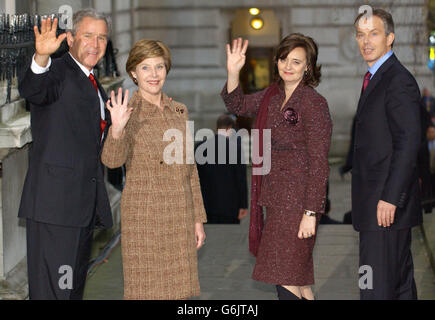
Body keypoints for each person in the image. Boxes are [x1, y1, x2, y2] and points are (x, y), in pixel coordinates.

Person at [221, 34, 332, 300]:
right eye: (284, 59)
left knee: (285, 277)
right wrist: (233, 72)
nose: (288, 66)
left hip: (299, 204)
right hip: (275, 199)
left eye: (296, 61)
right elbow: (236, 104)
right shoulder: (272, 96)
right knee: (297, 280)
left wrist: (310, 212)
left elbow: (319, 162)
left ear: (308, 66)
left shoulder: (313, 103)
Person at [17, 9, 113, 299]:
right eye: (87, 36)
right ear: (70, 38)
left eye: (102, 38)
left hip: (79, 210)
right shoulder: (57, 70)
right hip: (55, 209)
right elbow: (34, 89)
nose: (95, 45)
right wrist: (41, 58)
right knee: (55, 291)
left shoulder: (93, 82)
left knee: (68, 289)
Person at [101, 39, 207, 300]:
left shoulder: (179, 110)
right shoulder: (127, 111)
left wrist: (197, 219)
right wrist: (116, 128)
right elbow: (111, 161)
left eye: (159, 67)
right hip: (145, 218)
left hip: (180, 215)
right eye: (145, 67)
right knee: (147, 291)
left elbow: (189, 169)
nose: (154, 74)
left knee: (179, 291)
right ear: (133, 73)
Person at [352, 8, 422, 300]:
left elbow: (409, 141)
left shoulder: (397, 80)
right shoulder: (376, 76)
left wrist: (391, 197)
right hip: (380, 208)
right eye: (360, 34)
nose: (366, 41)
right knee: (399, 287)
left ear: (390, 38)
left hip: (384, 207)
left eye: (374, 33)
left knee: (374, 289)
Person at [195, 114, 248, 224]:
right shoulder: (236, 149)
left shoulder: (200, 147)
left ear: (217, 127)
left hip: (207, 205)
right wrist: (243, 205)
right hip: (230, 207)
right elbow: (240, 179)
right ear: (230, 128)